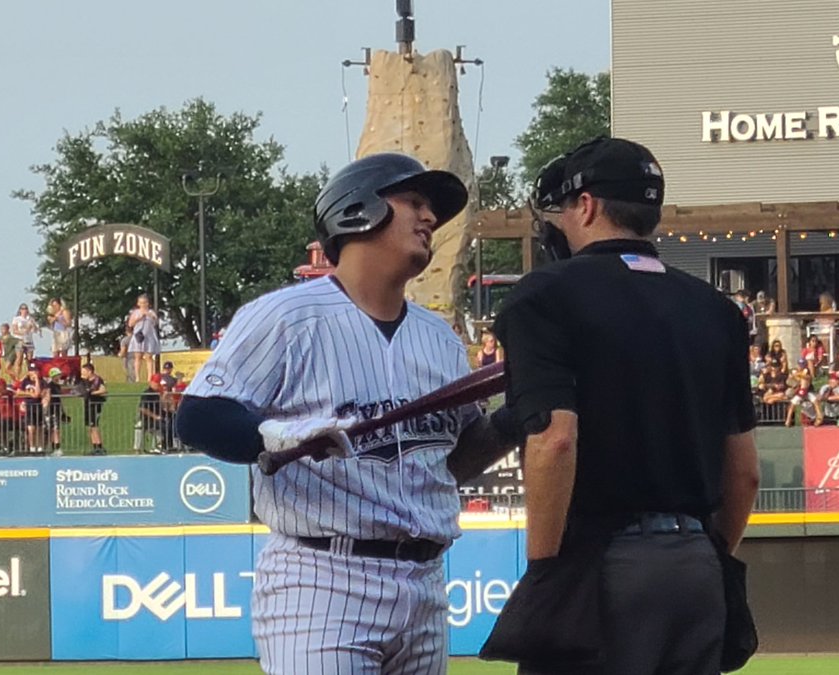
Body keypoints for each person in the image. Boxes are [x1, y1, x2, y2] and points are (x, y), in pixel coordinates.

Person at [175, 152, 518, 674]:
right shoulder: (286, 317)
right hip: (322, 577)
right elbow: (198, 416)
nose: (430, 219)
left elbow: (452, 462)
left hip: (424, 582)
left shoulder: (440, 340)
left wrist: (516, 418)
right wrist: (272, 435)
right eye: (415, 202)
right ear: (357, 210)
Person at [488, 137, 759, 674]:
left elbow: (555, 438)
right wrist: (711, 553)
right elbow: (745, 473)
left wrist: (546, 570)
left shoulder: (544, 294)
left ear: (585, 205)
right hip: (696, 566)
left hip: (600, 564)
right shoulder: (715, 309)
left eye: (563, 210)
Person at [127, 294, 161, 383]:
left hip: (149, 337)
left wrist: (149, 315)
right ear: (138, 303)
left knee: (149, 357)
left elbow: (155, 321)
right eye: (141, 303)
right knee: (138, 357)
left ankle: (149, 377)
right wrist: (139, 318)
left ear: (148, 303)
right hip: (139, 336)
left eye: (145, 302)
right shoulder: (135, 312)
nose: (143, 304)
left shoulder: (151, 312)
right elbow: (130, 324)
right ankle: (137, 378)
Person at [80, 363, 107, 455]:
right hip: (88, 405)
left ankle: (99, 447)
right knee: (91, 427)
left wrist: (92, 393)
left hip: (95, 405)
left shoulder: (97, 380)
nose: (82, 373)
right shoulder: (85, 381)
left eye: (84, 371)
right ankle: (94, 446)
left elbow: (103, 390)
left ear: (89, 371)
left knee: (94, 426)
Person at [42, 367, 67, 456]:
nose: (59, 377)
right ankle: (54, 448)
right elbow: (46, 398)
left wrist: (63, 412)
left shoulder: (57, 386)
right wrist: (45, 409)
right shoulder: (49, 385)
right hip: (50, 409)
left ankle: (55, 448)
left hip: (56, 409)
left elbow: (59, 399)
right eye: (58, 375)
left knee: (55, 429)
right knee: (52, 429)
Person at [10, 303, 39, 376]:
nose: (24, 310)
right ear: (20, 310)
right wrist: (23, 332)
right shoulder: (16, 319)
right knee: (19, 359)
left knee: (29, 360)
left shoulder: (30, 319)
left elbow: (35, 329)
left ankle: (30, 375)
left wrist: (33, 325)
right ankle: (17, 376)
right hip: (20, 340)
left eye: (26, 309)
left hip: (29, 340)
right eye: (22, 309)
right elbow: (14, 330)